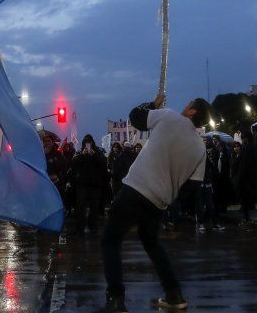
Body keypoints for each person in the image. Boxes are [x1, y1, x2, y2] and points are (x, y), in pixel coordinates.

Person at [97, 96, 210, 313]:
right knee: (152, 243)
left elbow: (135, 117)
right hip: (158, 201)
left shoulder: (169, 117)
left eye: (189, 104)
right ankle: (174, 294)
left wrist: (153, 104)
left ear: (193, 112)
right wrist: (170, 189)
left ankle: (116, 300)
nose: (185, 105)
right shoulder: (200, 150)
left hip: (135, 188)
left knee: (110, 240)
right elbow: (192, 187)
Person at [71, 134, 108, 233]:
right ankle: (80, 227)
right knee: (80, 207)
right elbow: (73, 163)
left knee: (94, 207)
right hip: (82, 185)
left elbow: (104, 163)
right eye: (86, 143)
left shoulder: (98, 152)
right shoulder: (79, 152)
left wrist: (94, 155)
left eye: (89, 142)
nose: (88, 144)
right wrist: (82, 155)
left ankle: (93, 226)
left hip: (95, 185)